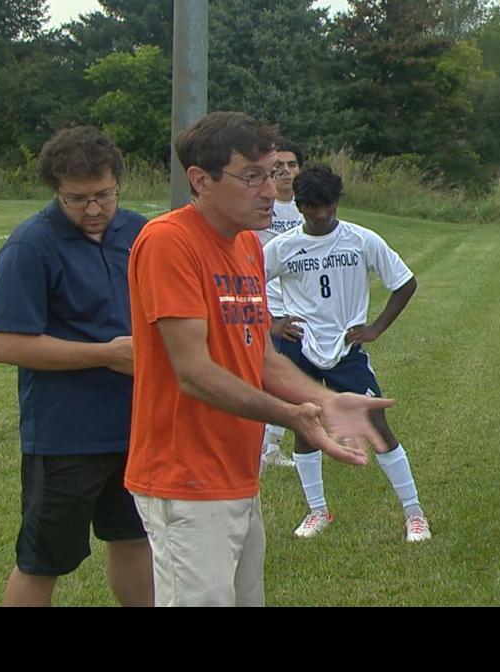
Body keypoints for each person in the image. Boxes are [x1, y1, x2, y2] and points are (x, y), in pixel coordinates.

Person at [124, 112, 391, 607]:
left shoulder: (247, 244)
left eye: (273, 173)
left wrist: (325, 401)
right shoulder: (168, 243)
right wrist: (291, 416)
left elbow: (260, 358)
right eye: (252, 177)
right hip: (184, 477)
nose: (271, 190)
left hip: (236, 472)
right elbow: (195, 372)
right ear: (200, 181)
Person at [0, 126, 152, 607]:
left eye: (104, 195)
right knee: (43, 559)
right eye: (77, 199)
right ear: (55, 191)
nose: (95, 209)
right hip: (65, 435)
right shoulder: (30, 246)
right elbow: (7, 344)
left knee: (134, 539)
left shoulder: (140, 232)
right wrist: (107, 354)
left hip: (137, 426)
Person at [264, 166, 429, 542]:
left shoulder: (361, 240)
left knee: (375, 424)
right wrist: (272, 323)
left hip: (346, 349)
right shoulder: (282, 246)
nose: (321, 215)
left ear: (337, 202)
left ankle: (414, 513)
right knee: (304, 425)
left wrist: (375, 329)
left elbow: (405, 283)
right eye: (311, 207)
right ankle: (317, 511)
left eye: (328, 206)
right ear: (300, 206)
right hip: (299, 347)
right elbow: (249, 282)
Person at [258, 140, 307, 470]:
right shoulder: (260, 204)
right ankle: (260, 447)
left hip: (297, 305)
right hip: (265, 302)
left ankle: (270, 446)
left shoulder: (307, 206)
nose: (285, 172)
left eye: (291, 165)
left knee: (291, 377)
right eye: (279, 167)